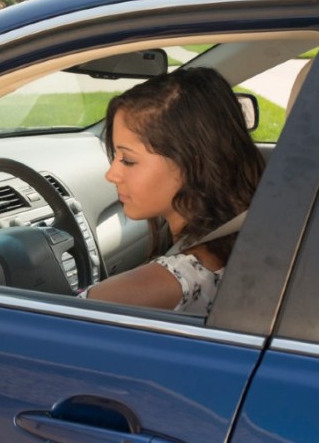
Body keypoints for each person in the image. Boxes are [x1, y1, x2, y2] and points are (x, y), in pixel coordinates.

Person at [79, 66, 265, 319]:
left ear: (191, 163)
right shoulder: (256, 230)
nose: (111, 175)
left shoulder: (161, 285)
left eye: (128, 160)